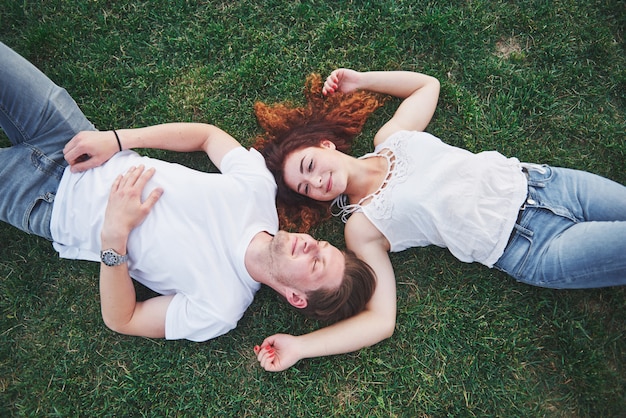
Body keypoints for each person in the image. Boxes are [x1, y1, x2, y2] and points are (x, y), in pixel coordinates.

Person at [251, 68, 626, 371]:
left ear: (325, 145)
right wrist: (300, 347)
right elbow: (381, 320)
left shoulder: (392, 138)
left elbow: (426, 86)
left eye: (310, 165)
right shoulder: (363, 227)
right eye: (307, 187)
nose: (316, 180)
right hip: (533, 248)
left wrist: (362, 80)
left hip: (550, 184)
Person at [0, 42, 376, 343]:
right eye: (322, 248)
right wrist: (116, 140)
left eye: (314, 265)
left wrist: (114, 235)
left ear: (296, 298)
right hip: (76, 137)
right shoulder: (259, 189)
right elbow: (207, 136)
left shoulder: (220, 308)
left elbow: (123, 320)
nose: (311, 246)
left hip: (48, 203)